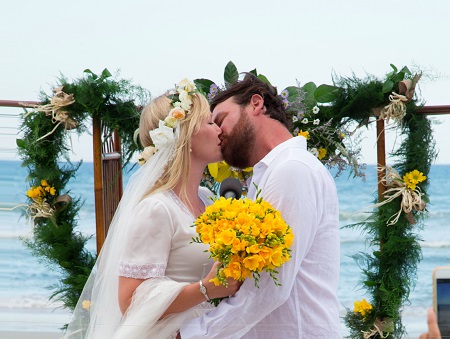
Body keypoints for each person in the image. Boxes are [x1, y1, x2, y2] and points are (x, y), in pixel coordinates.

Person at [64, 79, 240, 338]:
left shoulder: (208, 200)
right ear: (185, 134)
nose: (219, 131)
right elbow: (129, 301)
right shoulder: (157, 208)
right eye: (209, 122)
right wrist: (207, 288)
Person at [179, 74, 341, 338]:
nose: (218, 133)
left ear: (256, 104)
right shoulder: (269, 174)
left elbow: (268, 287)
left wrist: (192, 334)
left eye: (220, 120)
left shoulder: (292, 170)